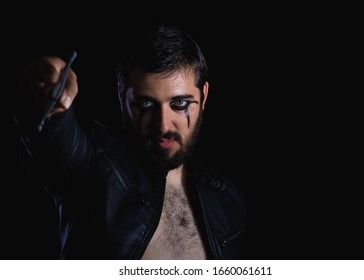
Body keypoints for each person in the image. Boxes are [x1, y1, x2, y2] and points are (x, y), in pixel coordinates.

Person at [12, 24, 247, 259]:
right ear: (121, 95)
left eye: (179, 104)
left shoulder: (227, 199)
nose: (163, 125)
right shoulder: (95, 169)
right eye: (145, 104)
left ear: (203, 96)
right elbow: (57, 146)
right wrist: (48, 102)